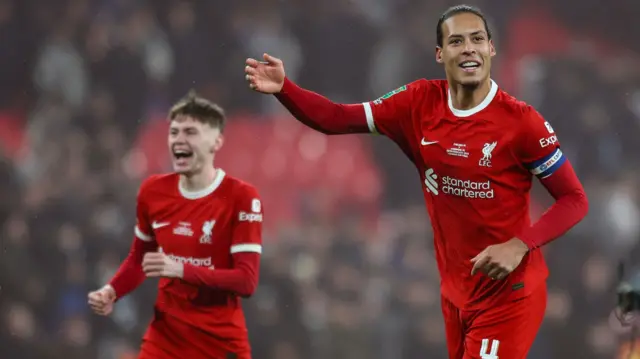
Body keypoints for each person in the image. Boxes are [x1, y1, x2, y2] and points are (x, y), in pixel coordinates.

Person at [244, 4, 588, 359]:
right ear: (440, 54)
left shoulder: (522, 123)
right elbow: (336, 118)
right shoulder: (418, 102)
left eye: (477, 39)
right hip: (458, 291)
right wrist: (285, 89)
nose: (468, 47)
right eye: (456, 40)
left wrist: (519, 245)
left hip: (510, 291)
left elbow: (575, 199)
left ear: (491, 49)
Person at [87, 93, 264, 359]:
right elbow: (140, 259)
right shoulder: (153, 190)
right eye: (174, 132)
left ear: (216, 141)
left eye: (190, 132)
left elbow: (246, 281)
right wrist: (113, 290)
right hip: (166, 339)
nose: (179, 140)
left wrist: (181, 269)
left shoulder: (241, 197)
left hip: (217, 341)